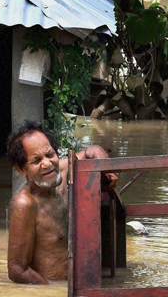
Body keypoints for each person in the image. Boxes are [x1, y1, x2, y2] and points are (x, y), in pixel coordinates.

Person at [6, 121, 117, 284]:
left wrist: (108, 172)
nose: (47, 163)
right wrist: (52, 294)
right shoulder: (26, 203)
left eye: (50, 154)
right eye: (36, 161)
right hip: (55, 289)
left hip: (81, 283)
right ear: (21, 170)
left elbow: (93, 151)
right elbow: (17, 270)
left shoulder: (65, 170)